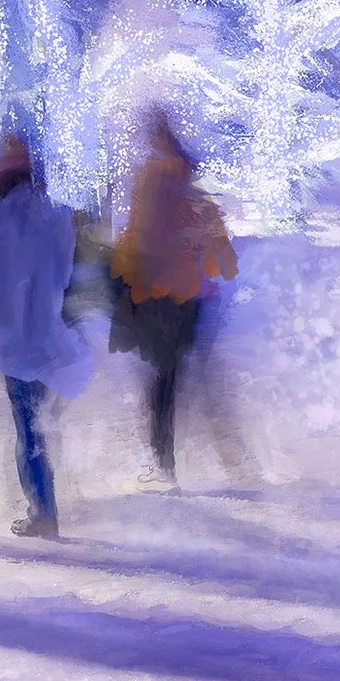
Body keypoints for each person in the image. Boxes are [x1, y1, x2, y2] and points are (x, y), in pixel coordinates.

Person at [0, 135, 92, 538]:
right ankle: (50, 502)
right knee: (40, 423)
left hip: (14, 339)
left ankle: (43, 510)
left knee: (28, 428)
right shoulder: (56, 214)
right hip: (49, 334)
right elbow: (65, 271)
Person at [108, 111, 237, 488]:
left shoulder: (150, 181)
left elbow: (136, 238)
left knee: (162, 381)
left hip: (156, 296)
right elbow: (223, 258)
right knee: (180, 378)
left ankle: (164, 465)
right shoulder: (191, 189)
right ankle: (228, 457)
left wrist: (123, 276)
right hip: (188, 297)